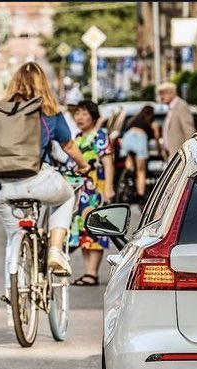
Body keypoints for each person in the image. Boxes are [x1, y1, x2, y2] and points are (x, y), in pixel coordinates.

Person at [0, 62, 90, 299]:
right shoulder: (49, 111)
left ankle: (12, 290)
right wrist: (83, 165)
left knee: (14, 236)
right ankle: (55, 248)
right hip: (37, 179)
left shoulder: (0, 111)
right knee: (67, 196)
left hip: (2, 185)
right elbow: (68, 145)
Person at [68, 100, 114, 287]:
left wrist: (108, 188)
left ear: (93, 117)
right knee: (83, 230)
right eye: (77, 113)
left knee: (95, 229)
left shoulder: (100, 135)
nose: (79, 117)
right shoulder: (78, 137)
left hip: (96, 189)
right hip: (80, 191)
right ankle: (89, 272)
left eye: (84, 114)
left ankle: (92, 272)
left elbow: (108, 163)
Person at [120, 105, 161, 200]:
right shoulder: (152, 122)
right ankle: (140, 194)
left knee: (129, 159)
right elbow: (157, 137)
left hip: (127, 138)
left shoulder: (133, 119)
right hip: (140, 139)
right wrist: (159, 150)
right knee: (141, 171)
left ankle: (128, 176)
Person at [157, 82, 195, 159]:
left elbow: (189, 130)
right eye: (160, 94)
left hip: (181, 156)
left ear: (172, 93)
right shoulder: (171, 108)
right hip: (173, 155)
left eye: (163, 94)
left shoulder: (181, 105)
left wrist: (190, 153)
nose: (161, 97)